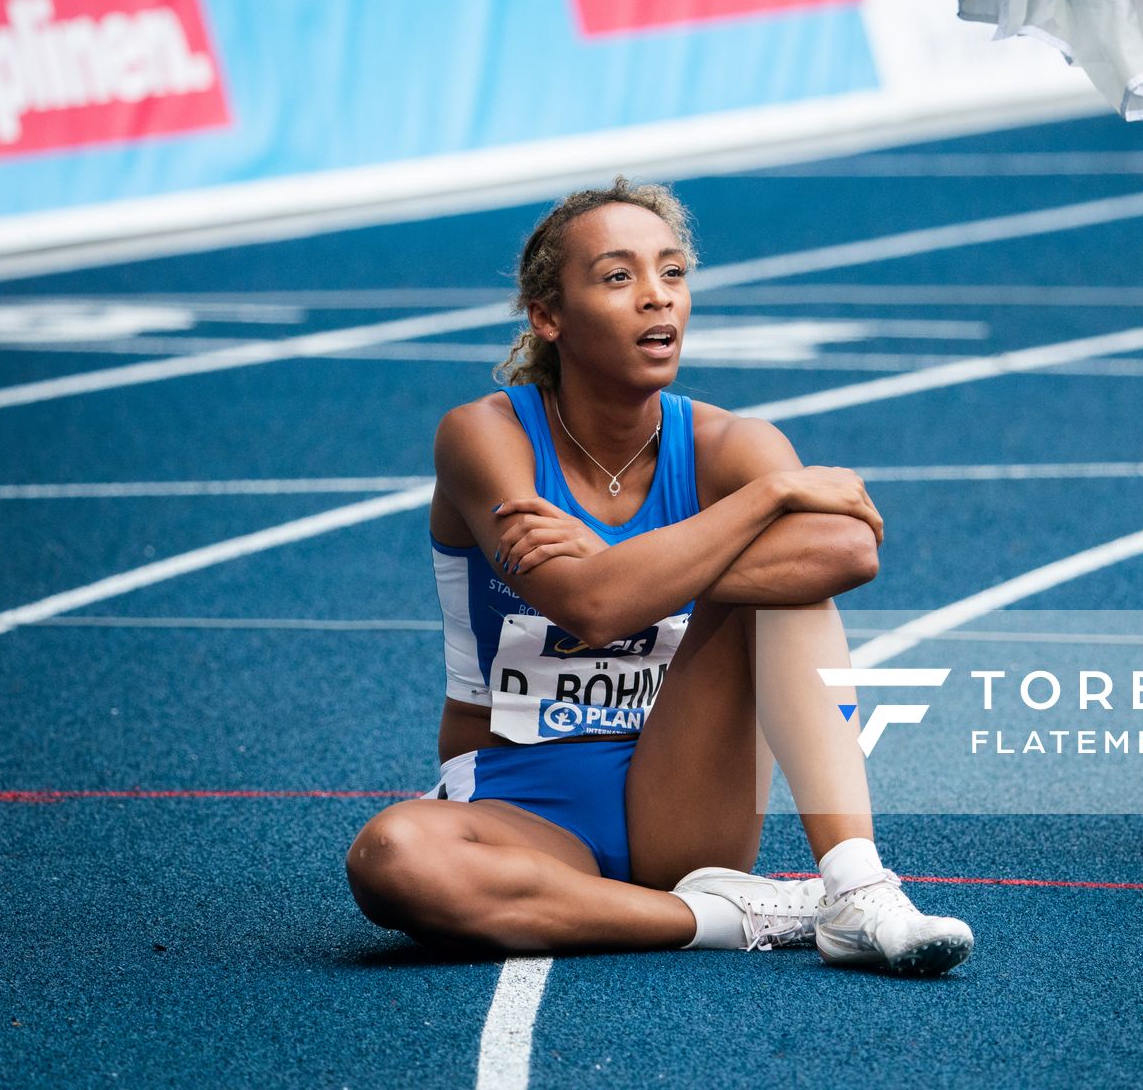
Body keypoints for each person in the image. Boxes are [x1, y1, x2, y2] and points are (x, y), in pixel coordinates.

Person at [343, 177, 974, 973]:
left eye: (673, 274)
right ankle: (720, 917)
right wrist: (771, 499)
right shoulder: (483, 436)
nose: (657, 299)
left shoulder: (726, 443)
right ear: (548, 316)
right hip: (520, 807)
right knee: (391, 858)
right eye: (618, 277)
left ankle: (854, 886)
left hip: (687, 789)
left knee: (789, 586)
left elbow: (846, 552)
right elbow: (591, 607)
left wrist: (624, 559)